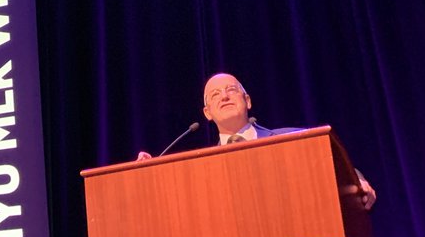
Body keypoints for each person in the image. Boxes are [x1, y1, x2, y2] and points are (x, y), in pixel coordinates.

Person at [137, 72, 376, 210]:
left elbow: (333, 161)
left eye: (231, 89)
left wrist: (360, 182)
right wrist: (147, 176)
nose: (225, 96)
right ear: (207, 113)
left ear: (247, 100)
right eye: (215, 95)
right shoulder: (201, 168)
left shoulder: (286, 139)